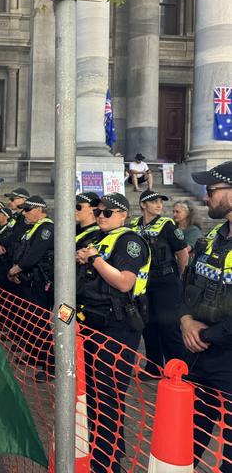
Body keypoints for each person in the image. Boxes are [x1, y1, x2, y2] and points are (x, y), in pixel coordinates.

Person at [75, 193, 151, 473]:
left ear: (123, 215)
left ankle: (108, 460)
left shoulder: (129, 241)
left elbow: (124, 282)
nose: (100, 217)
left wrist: (93, 259)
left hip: (118, 327)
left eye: (107, 213)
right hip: (96, 324)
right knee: (96, 394)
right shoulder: (101, 238)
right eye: (97, 212)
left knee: (109, 396)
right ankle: (102, 451)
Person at [180, 161, 232, 471]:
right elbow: (186, 285)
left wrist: (204, 335)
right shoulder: (211, 239)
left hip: (222, 351)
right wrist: (186, 320)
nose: (205, 198)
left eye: (211, 191)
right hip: (202, 356)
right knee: (187, 439)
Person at [130, 190, 189, 376]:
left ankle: (177, 370)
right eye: (153, 201)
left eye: (160, 202)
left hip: (166, 281)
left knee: (169, 326)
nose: (158, 205)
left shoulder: (167, 225)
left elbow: (182, 253)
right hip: (144, 283)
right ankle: (153, 367)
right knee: (148, 325)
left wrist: (181, 278)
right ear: (142, 205)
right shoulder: (133, 226)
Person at [8, 195, 54, 380]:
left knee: (40, 322)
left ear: (38, 210)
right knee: (32, 321)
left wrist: (15, 270)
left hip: (40, 282)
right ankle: (38, 356)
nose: (25, 213)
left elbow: (35, 255)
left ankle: (50, 364)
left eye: (28, 209)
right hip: (30, 279)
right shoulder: (34, 228)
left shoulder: (46, 229)